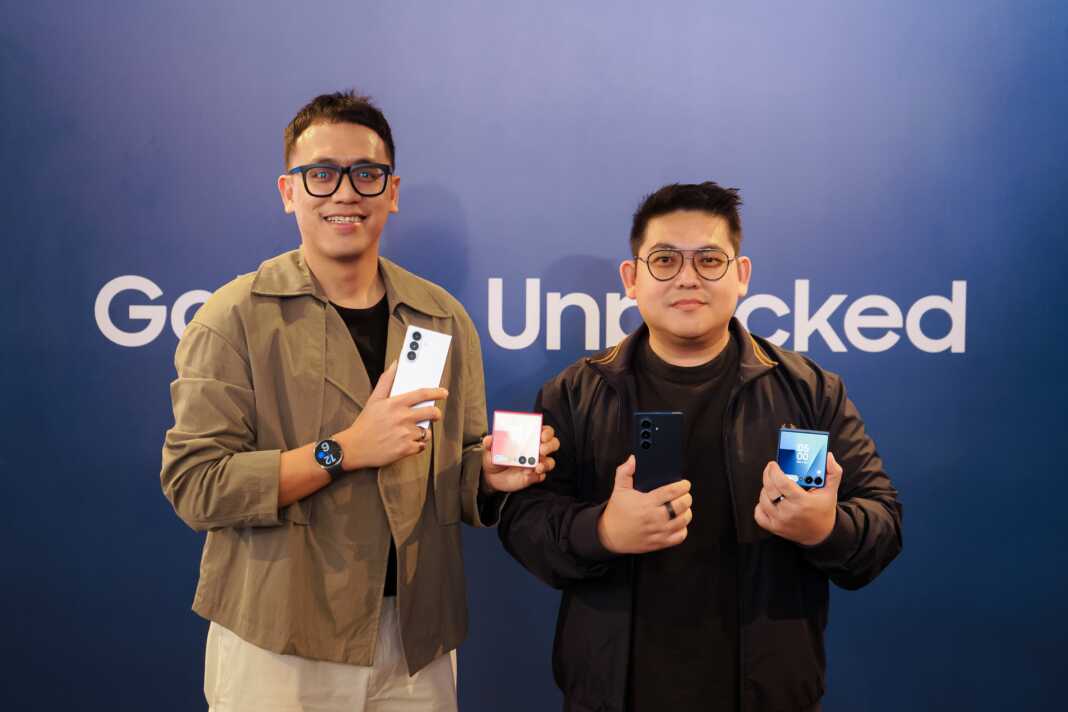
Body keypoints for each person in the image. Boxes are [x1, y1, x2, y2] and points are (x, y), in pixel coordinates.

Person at [161, 90, 557, 712]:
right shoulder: (234, 316)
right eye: (321, 175)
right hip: (281, 639)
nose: (345, 193)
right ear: (289, 191)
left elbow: (455, 469)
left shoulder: (441, 316)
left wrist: (488, 477)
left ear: (391, 192)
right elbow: (197, 485)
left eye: (366, 174)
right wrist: (342, 450)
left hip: (415, 641)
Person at [498, 181, 902, 712]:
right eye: (665, 260)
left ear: (742, 275)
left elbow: (883, 522)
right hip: (612, 693)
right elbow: (521, 520)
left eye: (709, 260)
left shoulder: (809, 390)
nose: (687, 277)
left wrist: (825, 528)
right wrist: (602, 531)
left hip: (767, 692)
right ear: (632, 279)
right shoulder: (573, 393)